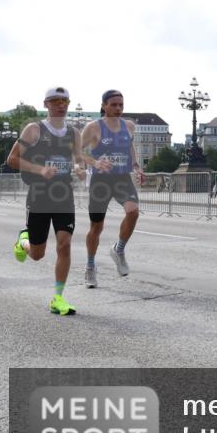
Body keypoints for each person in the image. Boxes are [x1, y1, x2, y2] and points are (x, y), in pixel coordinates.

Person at [8, 87, 88, 315]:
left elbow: (79, 160)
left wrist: (80, 169)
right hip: (40, 196)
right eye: (55, 101)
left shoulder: (74, 133)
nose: (60, 105)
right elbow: (12, 159)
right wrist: (40, 169)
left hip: (64, 196)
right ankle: (22, 242)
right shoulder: (35, 130)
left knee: (64, 244)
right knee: (37, 254)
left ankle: (58, 298)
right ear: (46, 104)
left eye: (64, 101)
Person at [80, 90, 142, 286]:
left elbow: (130, 147)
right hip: (101, 181)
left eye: (121, 105)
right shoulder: (93, 127)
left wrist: (136, 166)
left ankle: (119, 250)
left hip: (122, 178)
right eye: (114, 105)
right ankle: (90, 266)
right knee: (96, 227)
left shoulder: (129, 126)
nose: (118, 109)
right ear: (104, 105)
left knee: (133, 212)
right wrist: (94, 163)